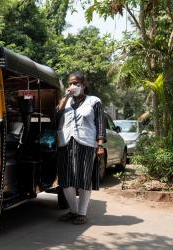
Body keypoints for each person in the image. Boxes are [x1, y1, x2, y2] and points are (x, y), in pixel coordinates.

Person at [55, 71, 106, 224]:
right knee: (66, 179)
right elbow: (57, 114)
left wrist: (100, 145)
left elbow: (100, 123)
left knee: (84, 179)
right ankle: (73, 211)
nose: (73, 86)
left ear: (83, 85)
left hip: (86, 144)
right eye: (70, 83)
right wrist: (66, 96)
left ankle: (82, 213)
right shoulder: (66, 101)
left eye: (76, 83)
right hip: (65, 143)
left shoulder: (94, 101)